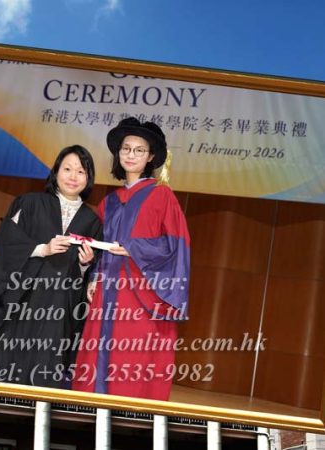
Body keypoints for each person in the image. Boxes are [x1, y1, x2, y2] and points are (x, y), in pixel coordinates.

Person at [0, 145, 102, 387]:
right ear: (56, 171)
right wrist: (42, 249)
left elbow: (87, 277)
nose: (73, 176)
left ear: (88, 178)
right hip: (21, 300)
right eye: (67, 169)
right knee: (5, 368)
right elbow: (5, 247)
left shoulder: (92, 221)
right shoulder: (29, 204)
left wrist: (84, 264)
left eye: (81, 171)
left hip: (57, 310)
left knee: (44, 373)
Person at [72, 118, 190, 401]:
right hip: (107, 289)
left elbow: (176, 246)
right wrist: (92, 272)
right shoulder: (109, 202)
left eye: (139, 150)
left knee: (131, 360)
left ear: (150, 157)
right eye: (126, 148)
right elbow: (100, 247)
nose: (131, 155)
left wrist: (133, 247)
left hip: (141, 292)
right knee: (97, 356)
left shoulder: (162, 196)